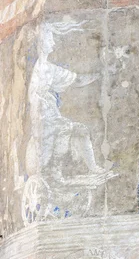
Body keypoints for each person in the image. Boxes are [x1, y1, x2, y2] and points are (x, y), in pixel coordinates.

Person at [26, 22, 104, 178]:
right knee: (65, 127)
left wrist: (100, 74)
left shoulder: (50, 68)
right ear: (41, 42)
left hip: (51, 114)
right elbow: (31, 97)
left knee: (82, 130)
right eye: (50, 39)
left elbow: (76, 80)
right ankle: (55, 171)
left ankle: (93, 167)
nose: (53, 43)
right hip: (41, 116)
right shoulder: (35, 69)